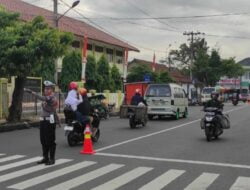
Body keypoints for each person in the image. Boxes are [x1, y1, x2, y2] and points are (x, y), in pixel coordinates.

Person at [24, 80, 58, 165]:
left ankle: (52, 158)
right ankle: (45, 157)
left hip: (49, 121)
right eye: (45, 89)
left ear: (52, 90)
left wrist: (31, 92)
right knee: (43, 140)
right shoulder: (46, 97)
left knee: (50, 140)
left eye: (48, 89)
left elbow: (43, 98)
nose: (46, 90)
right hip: (43, 121)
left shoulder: (52, 97)